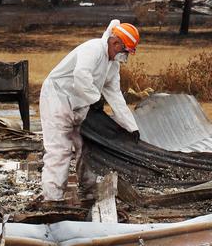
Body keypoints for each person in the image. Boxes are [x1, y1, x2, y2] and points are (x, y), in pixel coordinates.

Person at [38, 19, 140, 205]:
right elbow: (81, 77)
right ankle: (52, 200)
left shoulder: (112, 65)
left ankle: (89, 191)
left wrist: (131, 127)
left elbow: (115, 96)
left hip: (79, 103)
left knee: (85, 146)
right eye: (125, 51)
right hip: (57, 97)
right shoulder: (93, 50)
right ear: (116, 43)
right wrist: (95, 98)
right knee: (59, 150)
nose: (124, 56)